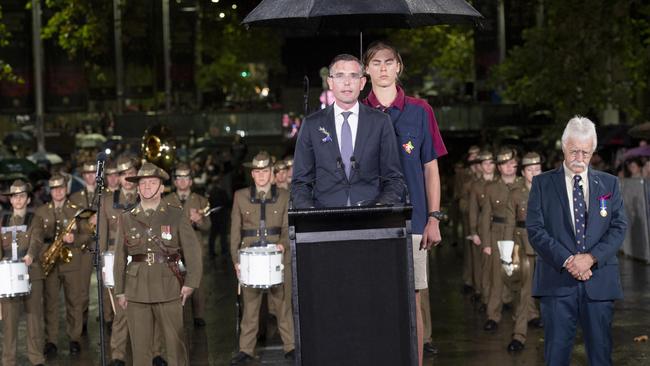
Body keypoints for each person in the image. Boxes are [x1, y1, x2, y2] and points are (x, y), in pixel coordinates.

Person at [361, 41, 443, 365]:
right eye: (376, 62)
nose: (383, 68)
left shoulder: (420, 111)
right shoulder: (357, 112)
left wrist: (434, 218)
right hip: (370, 224)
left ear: (399, 67)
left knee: (413, 300)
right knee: (373, 300)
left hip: (413, 223)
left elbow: (431, 168)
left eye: (389, 62)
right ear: (366, 69)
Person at [527, 116, 627, 365]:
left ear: (593, 151)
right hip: (556, 282)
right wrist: (569, 260)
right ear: (563, 147)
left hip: (599, 283)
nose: (579, 158)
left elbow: (618, 226)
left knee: (601, 355)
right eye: (574, 151)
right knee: (556, 356)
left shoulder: (609, 184)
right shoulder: (542, 184)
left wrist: (591, 259)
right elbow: (536, 229)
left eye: (585, 152)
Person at [113, 162, 203, 366]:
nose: (146, 187)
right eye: (143, 183)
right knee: (140, 352)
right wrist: (120, 290)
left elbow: (193, 252)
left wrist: (190, 283)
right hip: (136, 290)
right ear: (137, 188)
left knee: (175, 347)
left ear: (162, 187)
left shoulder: (176, 214)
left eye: (152, 183)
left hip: (169, 286)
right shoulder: (127, 218)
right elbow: (120, 256)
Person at [291, 54, 404, 208]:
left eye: (353, 76)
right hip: (325, 222)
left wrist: (380, 208)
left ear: (362, 82)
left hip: (372, 221)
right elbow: (300, 183)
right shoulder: (311, 124)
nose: (347, 82)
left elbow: (394, 179)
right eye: (339, 76)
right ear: (330, 82)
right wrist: (311, 215)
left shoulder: (381, 122)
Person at [230, 151, 295, 365]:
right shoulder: (240, 196)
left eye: (265, 171)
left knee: (283, 304)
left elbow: (287, 229)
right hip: (250, 258)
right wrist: (236, 261)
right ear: (252, 173)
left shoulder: (284, 196)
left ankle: (290, 346)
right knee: (250, 307)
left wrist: (283, 246)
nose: (261, 176)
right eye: (257, 172)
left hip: (277, 257)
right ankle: (246, 349)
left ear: (271, 172)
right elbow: (235, 232)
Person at [37, 174, 89, 357]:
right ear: (49, 191)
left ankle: (74, 338)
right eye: (54, 188)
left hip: (72, 262)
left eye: (61, 188)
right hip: (50, 263)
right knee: (50, 303)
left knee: (74, 301)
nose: (58, 191)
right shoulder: (41, 211)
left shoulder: (78, 210)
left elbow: (87, 236)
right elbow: (35, 239)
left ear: (66, 189)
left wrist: (74, 239)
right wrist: (46, 250)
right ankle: (50, 340)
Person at [0, 180, 46, 366]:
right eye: (14, 197)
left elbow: (36, 240)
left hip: (31, 272)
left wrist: (30, 255)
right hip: (8, 275)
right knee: (9, 321)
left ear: (27, 199)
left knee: (34, 317)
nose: (18, 200)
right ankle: (8, 360)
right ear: (10, 201)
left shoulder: (35, 219)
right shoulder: (3, 221)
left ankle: (36, 359)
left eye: (21, 196)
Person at [503, 152, 544, 352]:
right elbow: (510, 223)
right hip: (524, 245)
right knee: (524, 292)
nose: (534, 173)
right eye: (530, 170)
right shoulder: (516, 193)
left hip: (548, 248)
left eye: (538, 169)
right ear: (523, 172)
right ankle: (519, 334)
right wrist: (507, 251)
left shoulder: (549, 190)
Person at [165, 162, 211, 327]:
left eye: (186, 177)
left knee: (196, 280)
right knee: (175, 280)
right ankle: (178, 313)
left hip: (195, 247)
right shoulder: (167, 201)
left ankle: (199, 315)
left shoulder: (200, 200)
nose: (183, 181)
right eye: (179, 178)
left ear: (191, 181)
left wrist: (200, 221)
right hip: (174, 248)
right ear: (175, 181)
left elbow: (208, 227)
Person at [481, 148, 521, 331]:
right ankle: (493, 315)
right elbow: (485, 217)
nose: (508, 167)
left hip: (519, 234)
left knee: (522, 276)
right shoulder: (491, 188)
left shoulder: (523, 185)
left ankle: (527, 315)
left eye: (511, 163)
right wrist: (486, 243)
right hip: (497, 233)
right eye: (504, 164)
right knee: (497, 277)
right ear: (499, 167)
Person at [68, 161, 98, 333]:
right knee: (82, 290)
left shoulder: (106, 194)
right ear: (83, 175)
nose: (90, 176)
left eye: (93, 172)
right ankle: (82, 323)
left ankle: (110, 320)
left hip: (102, 244)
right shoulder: (75, 198)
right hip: (84, 247)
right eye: (86, 173)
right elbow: (73, 223)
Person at [468, 151, 498, 309]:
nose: (488, 166)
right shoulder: (476, 186)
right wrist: (473, 232)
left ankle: (500, 297)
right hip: (482, 228)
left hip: (498, 227)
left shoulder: (500, 182)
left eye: (491, 163)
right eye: (485, 163)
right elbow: (473, 210)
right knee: (483, 266)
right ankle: (483, 294)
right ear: (480, 166)